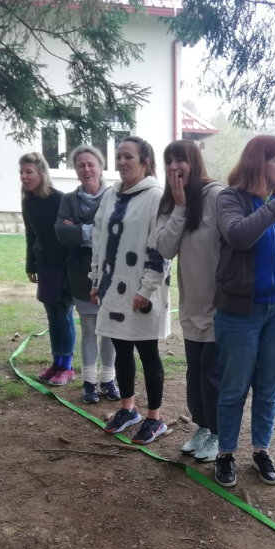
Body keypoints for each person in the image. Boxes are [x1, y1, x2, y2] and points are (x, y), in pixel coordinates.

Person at [213, 135, 275, 489]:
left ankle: (260, 450)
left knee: (269, 388)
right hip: (240, 311)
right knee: (234, 387)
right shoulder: (231, 199)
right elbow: (240, 236)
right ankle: (225, 454)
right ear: (259, 162)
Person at [89, 136, 170, 444]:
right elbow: (99, 239)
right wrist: (96, 281)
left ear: (145, 162)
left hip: (143, 291)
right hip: (112, 288)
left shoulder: (156, 196)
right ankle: (128, 409)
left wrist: (146, 289)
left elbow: (160, 248)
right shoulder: (110, 195)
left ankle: (155, 418)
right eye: (119, 157)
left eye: (129, 157)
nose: (122, 162)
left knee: (148, 353)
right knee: (121, 349)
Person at [154, 140, 225, 463]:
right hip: (191, 307)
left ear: (194, 162)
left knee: (213, 377)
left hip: (221, 308)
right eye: (168, 161)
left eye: (179, 160)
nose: (173, 167)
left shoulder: (217, 195)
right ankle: (202, 426)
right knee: (195, 374)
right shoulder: (172, 203)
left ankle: (219, 433)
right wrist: (181, 206)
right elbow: (165, 248)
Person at [55, 145, 120, 404]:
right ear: (76, 170)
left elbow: (117, 230)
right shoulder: (68, 200)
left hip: (113, 274)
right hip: (81, 274)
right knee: (90, 329)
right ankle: (89, 382)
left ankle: (108, 379)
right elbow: (61, 233)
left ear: (101, 167)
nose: (86, 169)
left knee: (111, 330)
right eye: (80, 165)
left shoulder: (115, 195)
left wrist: (80, 231)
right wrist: (96, 231)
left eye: (91, 164)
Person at [20, 152, 72, 386]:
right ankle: (56, 362)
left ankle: (67, 367)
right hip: (44, 265)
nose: (24, 176)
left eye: (29, 172)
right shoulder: (27, 201)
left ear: (41, 173)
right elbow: (31, 235)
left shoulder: (60, 199)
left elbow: (69, 234)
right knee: (51, 315)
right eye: (21, 172)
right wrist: (30, 265)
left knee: (63, 313)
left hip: (63, 265)